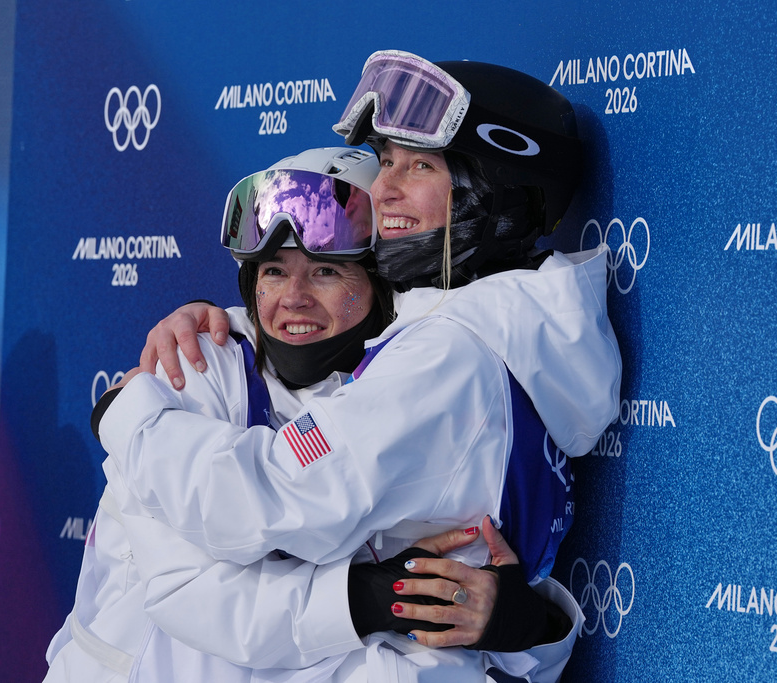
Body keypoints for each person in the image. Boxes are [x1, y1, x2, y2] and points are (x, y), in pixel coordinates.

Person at [102, 51, 621, 681]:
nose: (385, 190)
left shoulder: (450, 355)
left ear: (495, 189)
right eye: (387, 162)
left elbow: (270, 497)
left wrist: (126, 416)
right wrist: (531, 628)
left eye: (421, 165)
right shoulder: (518, 336)